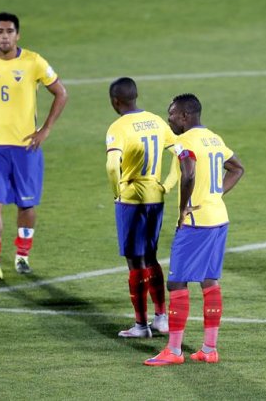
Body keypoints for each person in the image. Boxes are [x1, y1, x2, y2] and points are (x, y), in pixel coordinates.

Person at [0, 12, 68, 281]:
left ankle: (22, 255)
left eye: (9, 31)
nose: (5, 36)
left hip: (25, 147)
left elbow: (61, 92)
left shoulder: (33, 61)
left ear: (17, 35)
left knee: (26, 205)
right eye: (0, 31)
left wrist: (45, 129)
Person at [144, 94, 244, 366]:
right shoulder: (214, 138)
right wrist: (215, 194)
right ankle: (209, 349)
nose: (169, 119)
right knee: (210, 281)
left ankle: (174, 351)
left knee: (177, 282)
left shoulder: (182, 142)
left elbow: (187, 174)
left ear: (186, 116)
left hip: (197, 222)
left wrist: (183, 209)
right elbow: (237, 168)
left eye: (172, 114)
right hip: (218, 218)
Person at [105, 77, 178, 338]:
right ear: (135, 96)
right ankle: (161, 318)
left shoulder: (118, 127)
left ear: (115, 101)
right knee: (151, 256)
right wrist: (167, 185)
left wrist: (118, 192)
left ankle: (140, 326)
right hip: (155, 197)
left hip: (132, 200)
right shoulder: (157, 121)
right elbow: (181, 154)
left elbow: (113, 166)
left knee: (135, 262)